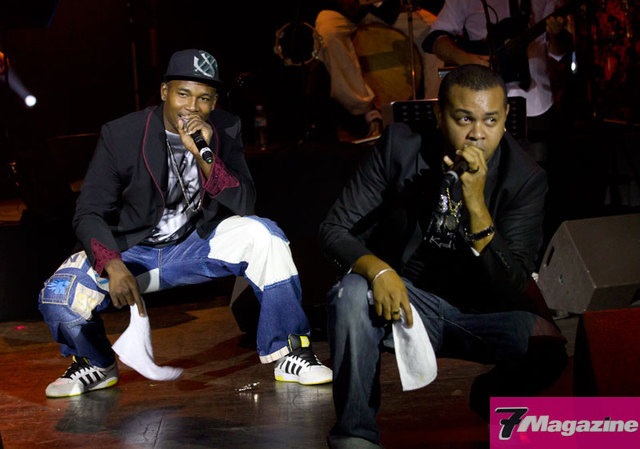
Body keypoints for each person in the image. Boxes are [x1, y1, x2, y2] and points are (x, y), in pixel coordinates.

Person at [39, 48, 332, 398]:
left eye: (204, 98)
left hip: (194, 244)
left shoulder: (224, 128)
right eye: (183, 94)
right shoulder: (122, 134)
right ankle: (96, 363)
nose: (192, 107)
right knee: (59, 293)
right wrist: (112, 264)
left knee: (265, 236)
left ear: (214, 102)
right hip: (132, 252)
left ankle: (290, 353)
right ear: (164, 92)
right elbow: (89, 211)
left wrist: (205, 157)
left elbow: (244, 203)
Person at [319, 64, 567, 448]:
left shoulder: (524, 177)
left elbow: (513, 283)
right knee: (350, 292)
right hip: (407, 301)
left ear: (505, 118)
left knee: (547, 347)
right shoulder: (400, 147)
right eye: (464, 119)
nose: (478, 134)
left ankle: (490, 397)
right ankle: (355, 434)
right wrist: (379, 271)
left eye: (491, 120)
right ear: (439, 115)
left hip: (480, 312)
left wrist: (476, 205)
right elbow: (334, 228)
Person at [422, 0, 572, 161]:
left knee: (537, 169)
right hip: (481, 106)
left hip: (536, 104)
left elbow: (559, 53)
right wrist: (466, 59)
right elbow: (435, 40)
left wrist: (556, 36)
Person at [314, 0, 441, 139]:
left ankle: (433, 111)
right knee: (328, 33)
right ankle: (364, 111)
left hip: (386, 9)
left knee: (434, 31)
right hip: (343, 12)